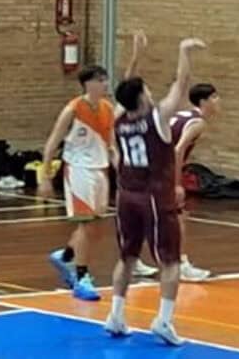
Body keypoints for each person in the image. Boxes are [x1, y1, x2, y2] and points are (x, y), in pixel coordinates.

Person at [103, 36, 205, 346]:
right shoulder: (157, 118)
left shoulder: (119, 119)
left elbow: (125, 88)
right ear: (142, 97)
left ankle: (116, 315)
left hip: (125, 195)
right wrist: (183, 52)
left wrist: (136, 56)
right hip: (154, 197)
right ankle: (163, 320)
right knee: (171, 262)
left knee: (127, 257)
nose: (150, 92)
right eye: (146, 89)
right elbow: (181, 84)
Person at [42, 64, 116, 301]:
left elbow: (111, 143)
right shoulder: (73, 109)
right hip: (78, 169)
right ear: (88, 84)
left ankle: (65, 256)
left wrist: (120, 166)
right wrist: (45, 176)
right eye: (101, 80)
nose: (105, 84)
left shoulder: (108, 108)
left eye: (106, 79)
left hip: (100, 169)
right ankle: (81, 278)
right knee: (87, 225)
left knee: (96, 229)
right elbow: (52, 142)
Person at [167, 82, 220, 281]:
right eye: (214, 97)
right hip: (164, 170)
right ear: (203, 102)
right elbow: (177, 150)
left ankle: (135, 259)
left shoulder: (183, 115)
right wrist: (176, 183)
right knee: (179, 216)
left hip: (150, 167)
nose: (218, 101)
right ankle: (181, 264)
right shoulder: (198, 122)